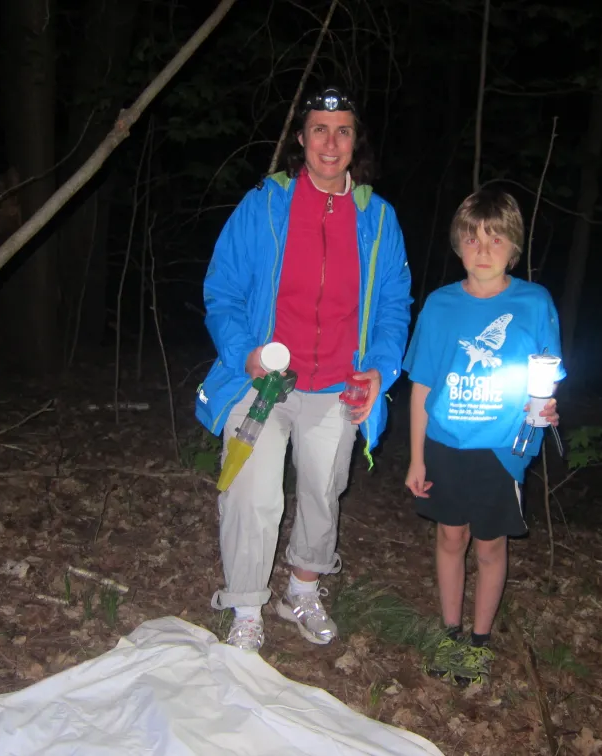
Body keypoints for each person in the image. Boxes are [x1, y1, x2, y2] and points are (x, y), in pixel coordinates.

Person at [195, 86, 412, 652]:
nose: (330, 143)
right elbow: (222, 290)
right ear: (301, 137)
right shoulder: (263, 206)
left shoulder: (379, 219)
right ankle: (246, 608)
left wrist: (380, 370)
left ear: (355, 141)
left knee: (323, 490)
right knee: (250, 490)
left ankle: (302, 591)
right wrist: (244, 352)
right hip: (263, 380)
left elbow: (394, 305)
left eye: (343, 131)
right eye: (319, 129)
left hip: (340, 384)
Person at [402, 189, 563, 686]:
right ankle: (450, 633)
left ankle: (479, 641)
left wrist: (547, 406)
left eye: (496, 239)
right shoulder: (440, 305)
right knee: (450, 536)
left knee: (490, 546)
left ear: (513, 246)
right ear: (459, 245)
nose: (484, 250)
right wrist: (416, 458)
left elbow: (546, 375)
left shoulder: (534, 302)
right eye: (472, 239)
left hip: (502, 448)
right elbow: (422, 385)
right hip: (446, 443)